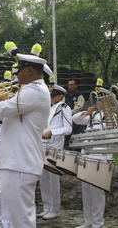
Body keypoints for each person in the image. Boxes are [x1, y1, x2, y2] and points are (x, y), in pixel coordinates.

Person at [0, 41, 50, 228]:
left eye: (20, 70)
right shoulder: (30, 90)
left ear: (30, 71)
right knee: (16, 218)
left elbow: (3, 110)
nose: (16, 74)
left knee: (21, 219)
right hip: (15, 161)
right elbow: (6, 116)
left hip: (20, 162)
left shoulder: (35, 90)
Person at [72, 97, 111, 228]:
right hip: (86, 155)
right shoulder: (93, 115)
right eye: (97, 101)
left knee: (97, 193)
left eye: (100, 101)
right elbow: (75, 119)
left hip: (100, 157)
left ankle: (97, 222)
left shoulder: (112, 117)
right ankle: (88, 221)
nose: (98, 103)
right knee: (86, 191)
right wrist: (86, 113)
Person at [39, 84, 72, 220]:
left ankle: (55, 209)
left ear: (61, 96)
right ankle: (47, 207)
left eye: (54, 95)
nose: (51, 98)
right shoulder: (49, 108)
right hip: (43, 147)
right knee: (43, 180)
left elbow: (68, 128)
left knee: (53, 181)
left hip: (55, 148)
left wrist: (52, 132)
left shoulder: (65, 108)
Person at [64, 79, 85, 150]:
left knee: (76, 136)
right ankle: (66, 151)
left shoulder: (79, 95)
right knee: (67, 135)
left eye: (72, 85)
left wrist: (70, 112)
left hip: (76, 119)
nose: (70, 86)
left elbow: (79, 107)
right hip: (67, 118)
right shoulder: (65, 95)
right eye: (69, 85)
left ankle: (77, 151)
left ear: (76, 86)